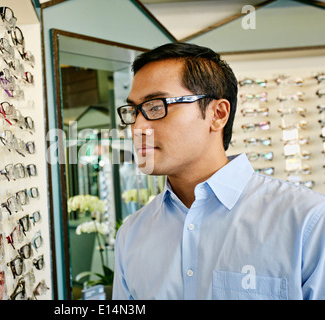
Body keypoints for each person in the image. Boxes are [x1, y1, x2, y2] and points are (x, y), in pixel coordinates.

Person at [112, 42, 325, 300]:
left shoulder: (307, 222)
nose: (137, 127)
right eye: (133, 111)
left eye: (156, 106)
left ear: (218, 114)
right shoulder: (132, 234)